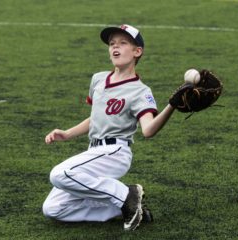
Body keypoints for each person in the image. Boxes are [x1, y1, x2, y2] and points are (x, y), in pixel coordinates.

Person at [42, 24, 175, 231]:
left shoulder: (140, 91)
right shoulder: (98, 79)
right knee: (52, 208)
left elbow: (148, 130)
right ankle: (121, 207)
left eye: (123, 43)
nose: (115, 47)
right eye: (112, 43)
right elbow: (96, 118)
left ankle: (125, 195)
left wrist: (172, 106)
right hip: (94, 151)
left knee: (60, 174)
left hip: (115, 152)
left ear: (137, 51)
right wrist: (67, 134)